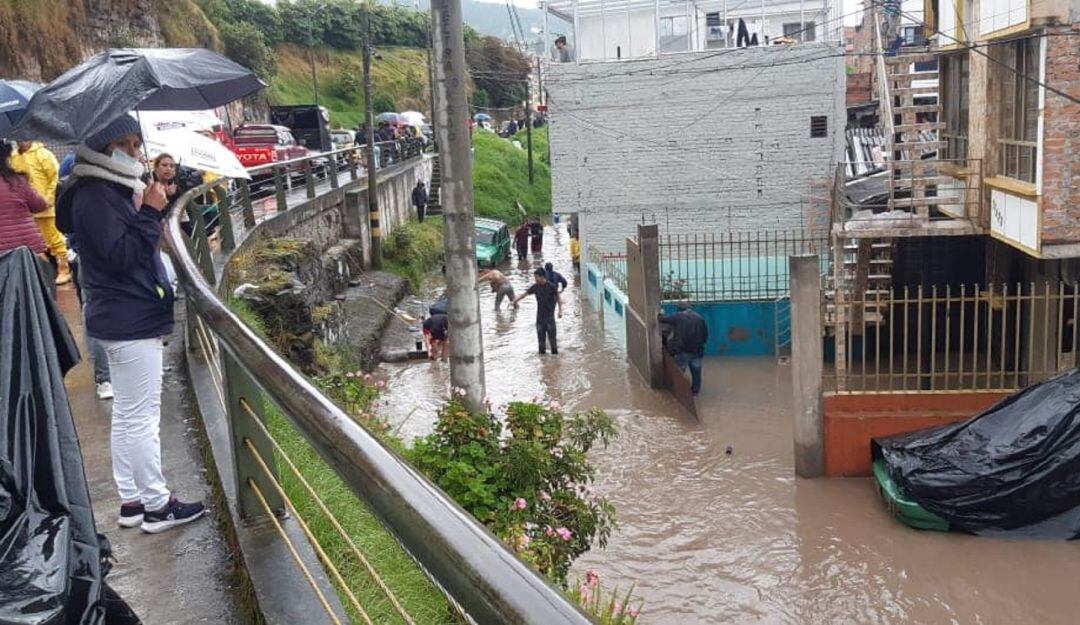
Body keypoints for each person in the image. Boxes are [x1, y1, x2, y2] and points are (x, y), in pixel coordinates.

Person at [58, 114, 205, 533]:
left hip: (118, 314)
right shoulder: (97, 194)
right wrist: (150, 214)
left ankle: (133, 501)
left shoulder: (99, 190)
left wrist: (143, 210)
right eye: (132, 145)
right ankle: (158, 505)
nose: (139, 153)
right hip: (129, 315)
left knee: (127, 413)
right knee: (141, 417)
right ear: (112, 149)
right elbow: (121, 257)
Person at [11, 140, 69, 285]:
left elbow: (55, 178)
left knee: (54, 239)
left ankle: (64, 268)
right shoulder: (13, 157)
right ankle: (47, 270)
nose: (21, 141)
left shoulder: (44, 154)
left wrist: (48, 198)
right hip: (26, 209)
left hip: (46, 209)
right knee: (38, 242)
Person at [0, 141, 49, 260]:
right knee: (37, 278)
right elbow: (39, 205)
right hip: (30, 251)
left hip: (2, 256)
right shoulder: (16, 181)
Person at [658, 302, 709, 396]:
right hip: (697, 351)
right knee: (696, 372)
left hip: (683, 351)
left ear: (680, 309)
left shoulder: (679, 316)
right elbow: (705, 335)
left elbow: (662, 319)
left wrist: (661, 312)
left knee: (679, 373)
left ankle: (678, 393)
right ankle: (695, 392)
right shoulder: (699, 318)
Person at [513, 268, 564, 355]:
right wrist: (514, 301)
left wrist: (560, 311)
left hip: (550, 319)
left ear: (542, 277)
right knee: (541, 345)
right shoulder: (535, 287)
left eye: (536, 277)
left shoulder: (551, 287)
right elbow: (524, 294)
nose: (535, 279)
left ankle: (555, 364)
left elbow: (559, 299)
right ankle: (543, 365)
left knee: (553, 345)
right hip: (540, 319)